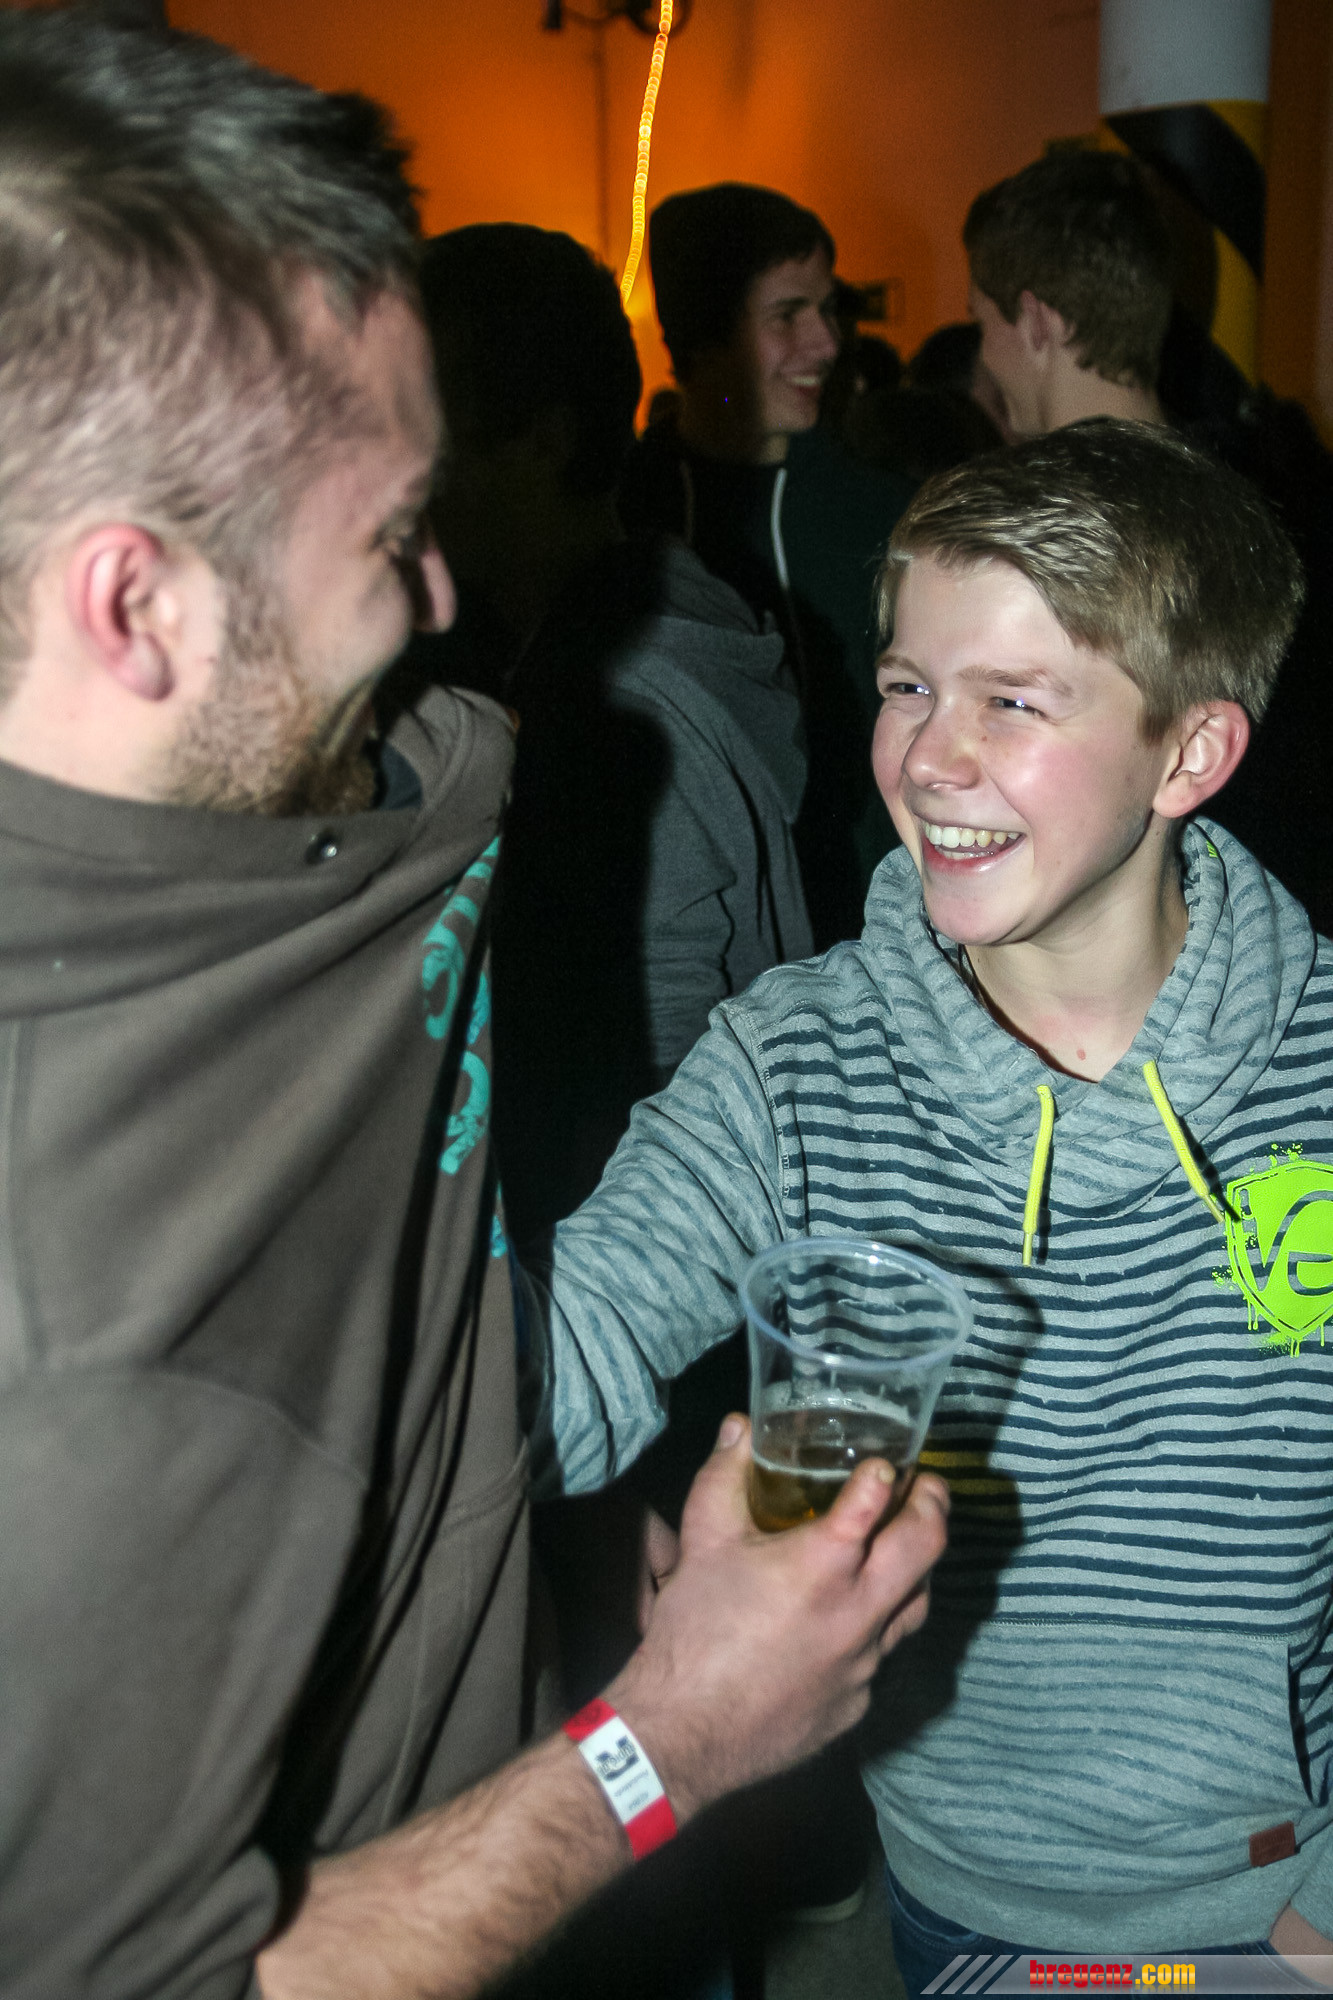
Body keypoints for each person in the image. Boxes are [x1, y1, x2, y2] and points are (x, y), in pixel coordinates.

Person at [0, 17, 954, 1997]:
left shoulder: (314, 802)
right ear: (133, 603)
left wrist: (522, 1537)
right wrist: (668, 1738)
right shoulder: (64, 1363)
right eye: (387, 534)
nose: (441, 599)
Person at [534, 418, 1333, 1990]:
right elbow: (564, 1343)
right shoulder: (792, 1065)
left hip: (1272, 1902)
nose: (926, 759)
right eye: (907, 686)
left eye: (1011, 702)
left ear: (1190, 754)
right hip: (947, 1892)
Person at [620, 182, 915, 948]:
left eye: (826, 310)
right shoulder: (620, 515)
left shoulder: (887, 517)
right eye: (786, 315)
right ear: (702, 336)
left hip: (870, 936)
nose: (825, 343)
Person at [963, 149, 1172, 440]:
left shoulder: (1016, 474)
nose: (984, 358)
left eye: (983, 325)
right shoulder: (1218, 468)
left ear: (1035, 323)